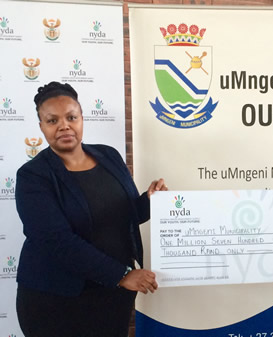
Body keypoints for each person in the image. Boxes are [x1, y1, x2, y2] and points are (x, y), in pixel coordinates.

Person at [15, 81, 167, 337]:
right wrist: (121, 275)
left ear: (81, 118)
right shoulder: (33, 176)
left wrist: (150, 202)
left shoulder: (109, 156)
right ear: (41, 126)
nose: (64, 125)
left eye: (71, 117)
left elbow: (123, 216)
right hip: (55, 300)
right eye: (52, 121)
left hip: (111, 296)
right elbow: (56, 240)